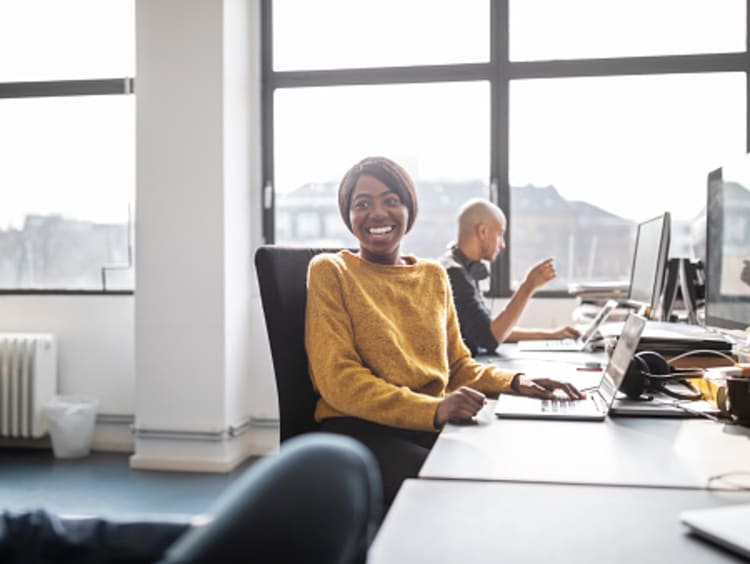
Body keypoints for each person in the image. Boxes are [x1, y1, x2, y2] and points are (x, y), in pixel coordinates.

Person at [304, 156, 584, 506]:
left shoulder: (433, 276)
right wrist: (434, 410)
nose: (377, 213)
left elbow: (458, 366)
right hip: (360, 430)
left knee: (517, 462)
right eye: (362, 204)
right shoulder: (331, 271)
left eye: (391, 200)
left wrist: (515, 382)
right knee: (463, 492)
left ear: (410, 210)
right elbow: (338, 380)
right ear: (349, 216)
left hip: (425, 423)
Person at [440, 198, 580, 356]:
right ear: (483, 232)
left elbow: (490, 329)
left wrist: (552, 335)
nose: (502, 244)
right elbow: (490, 338)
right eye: (500, 234)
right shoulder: (455, 275)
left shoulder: (459, 267)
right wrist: (528, 287)